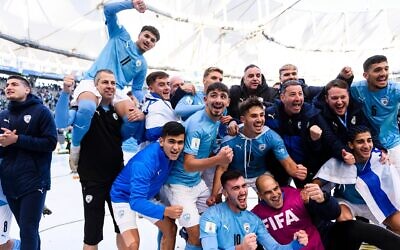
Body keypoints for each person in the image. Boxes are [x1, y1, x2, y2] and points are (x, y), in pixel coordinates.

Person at [68, 0, 159, 171]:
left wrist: (140, 105)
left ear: (154, 45)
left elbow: (137, 90)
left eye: (153, 40)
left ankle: (110, 143)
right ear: (139, 35)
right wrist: (131, 3)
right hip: (93, 81)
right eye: (146, 36)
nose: (148, 41)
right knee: (87, 108)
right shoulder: (120, 35)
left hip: (116, 90)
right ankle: (76, 146)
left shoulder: (142, 64)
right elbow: (108, 10)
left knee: (134, 120)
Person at [55, 69, 140, 249]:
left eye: (112, 83)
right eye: (105, 82)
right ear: (95, 86)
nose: (109, 86)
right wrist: (65, 92)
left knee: (122, 228)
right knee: (92, 234)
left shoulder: (119, 112)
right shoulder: (83, 110)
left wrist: (141, 113)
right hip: (93, 178)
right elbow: (61, 122)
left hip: (118, 177)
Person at [163, 82, 233, 250]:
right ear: (205, 99)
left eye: (222, 96)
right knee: (196, 236)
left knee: (211, 228)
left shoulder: (216, 120)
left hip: (197, 183)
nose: (218, 100)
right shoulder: (197, 125)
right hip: (179, 185)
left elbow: (203, 153)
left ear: (228, 102)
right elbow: (188, 164)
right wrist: (219, 158)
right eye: (213, 95)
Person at [253, 173, 400, 250]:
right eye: (268, 192)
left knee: (354, 227)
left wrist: (323, 199)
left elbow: (333, 213)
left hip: (324, 243)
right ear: (259, 195)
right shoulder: (255, 216)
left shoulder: (296, 195)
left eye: (276, 189)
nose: (275, 194)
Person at [208, 97, 307, 204]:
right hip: (236, 176)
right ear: (243, 119)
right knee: (229, 204)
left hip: (261, 175)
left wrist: (298, 171)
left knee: (274, 200)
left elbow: (288, 164)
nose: (259, 120)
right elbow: (222, 169)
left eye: (261, 115)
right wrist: (214, 195)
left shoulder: (272, 137)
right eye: (254, 116)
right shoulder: (229, 139)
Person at [0, 75, 57, 249]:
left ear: (27, 89)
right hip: (10, 182)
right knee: (28, 230)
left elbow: (50, 143)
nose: (9, 87)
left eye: (14, 84)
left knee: (28, 229)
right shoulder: (2, 115)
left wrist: (17, 139)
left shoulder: (41, 112)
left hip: (34, 181)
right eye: (7, 84)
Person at [110, 121, 185, 250]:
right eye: (171, 141)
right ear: (161, 141)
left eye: (180, 142)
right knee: (132, 244)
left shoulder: (171, 152)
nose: (176, 148)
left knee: (171, 229)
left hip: (145, 195)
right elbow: (136, 202)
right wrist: (166, 211)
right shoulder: (145, 163)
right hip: (123, 197)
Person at [316, 125, 400, 234]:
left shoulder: (380, 158)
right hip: (347, 202)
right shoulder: (338, 161)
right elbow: (316, 183)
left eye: (369, 141)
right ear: (350, 145)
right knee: (344, 223)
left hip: (374, 202)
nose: (366, 146)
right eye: (360, 142)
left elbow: (394, 187)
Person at [200, 170, 308, 250]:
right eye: (236, 188)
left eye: (244, 186)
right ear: (225, 193)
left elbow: (275, 248)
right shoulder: (211, 216)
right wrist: (241, 248)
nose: (243, 192)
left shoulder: (254, 219)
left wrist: (296, 243)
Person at [265, 80, 345, 187]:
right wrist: (233, 122)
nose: (298, 98)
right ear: (282, 97)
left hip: (306, 166)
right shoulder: (270, 114)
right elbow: (249, 121)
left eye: (300, 94)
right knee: (272, 194)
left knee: (310, 198)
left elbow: (330, 138)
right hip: (279, 165)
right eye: (293, 94)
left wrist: (344, 153)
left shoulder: (312, 113)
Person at [350, 55, 400, 175]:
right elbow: (333, 90)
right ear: (366, 75)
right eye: (377, 70)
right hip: (369, 146)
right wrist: (344, 77)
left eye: (386, 69)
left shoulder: (396, 90)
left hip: (394, 144)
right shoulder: (356, 88)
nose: (383, 73)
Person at [141, 71, 180, 143]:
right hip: (156, 151)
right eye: (161, 85)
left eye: (168, 84)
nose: (167, 88)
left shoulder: (158, 101)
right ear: (151, 89)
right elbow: (151, 133)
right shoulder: (155, 105)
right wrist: (179, 125)